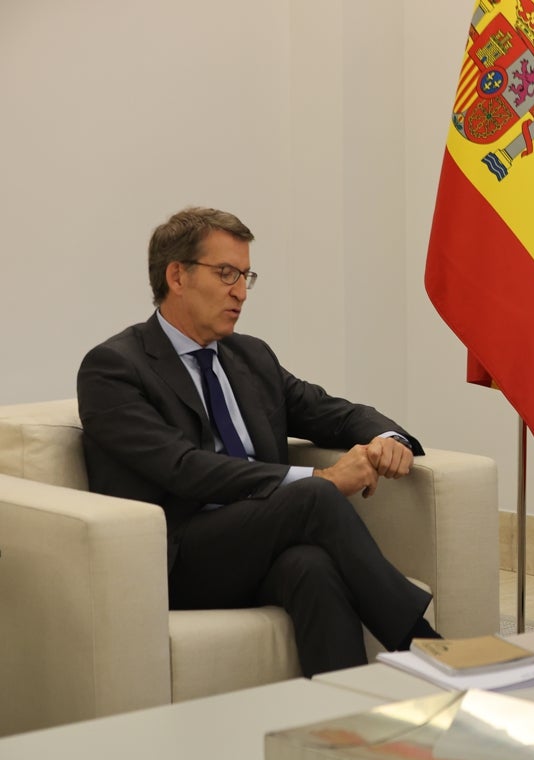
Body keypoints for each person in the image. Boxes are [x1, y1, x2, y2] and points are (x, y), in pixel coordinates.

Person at [77, 206, 440, 677]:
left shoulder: (249, 356)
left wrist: (387, 438)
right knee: (315, 494)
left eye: (246, 275)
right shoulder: (114, 368)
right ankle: (430, 649)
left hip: (256, 541)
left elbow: (329, 411)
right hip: (180, 556)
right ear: (177, 276)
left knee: (312, 568)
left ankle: (344, 726)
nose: (240, 291)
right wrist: (319, 477)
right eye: (226, 273)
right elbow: (182, 467)